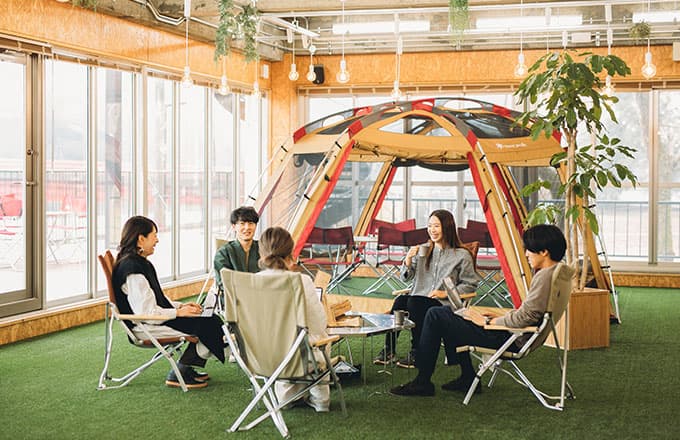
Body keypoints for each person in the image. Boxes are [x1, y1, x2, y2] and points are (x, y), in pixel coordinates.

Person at [390, 224, 567, 397]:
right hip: (515, 334)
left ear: (544, 252)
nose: (526, 254)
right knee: (453, 315)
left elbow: (526, 317)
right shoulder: (557, 273)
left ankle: (423, 382)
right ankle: (467, 377)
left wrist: (488, 321)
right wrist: (501, 315)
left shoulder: (544, 277)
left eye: (529, 250)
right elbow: (530, 314)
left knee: (436, 315)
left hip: (511, 339)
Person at [112, 216, 226, 389]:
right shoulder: (133, 270)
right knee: (208, 323)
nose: (157, 240)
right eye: (154, 235)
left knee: (207, 318)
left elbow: (156, 300)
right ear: (141, 239)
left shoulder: (137, 263)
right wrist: (179, 312)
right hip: (145, 327)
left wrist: (182, 306)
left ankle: (185, 368)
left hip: (153, 320)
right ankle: (181, 370)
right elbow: (147, 314)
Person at [374, 209, 480, 368]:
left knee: (414, 303)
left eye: (436, 226)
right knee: (401, 301)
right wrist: (408, 259)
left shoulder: (461, 255)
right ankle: (389, 349)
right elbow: (406, 278)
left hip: (443, 304)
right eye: (430, 226)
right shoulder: (423, 249)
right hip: (417, 300)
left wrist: (444, 293)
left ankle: (417, 352)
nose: (432, 230)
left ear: (447, 227)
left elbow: (470, 285)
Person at [257, 226, 331, 413]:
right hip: (299, 359)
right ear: (290, 252)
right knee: (319, 337)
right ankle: (320, 398)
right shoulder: (302, 281)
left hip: (259, 359)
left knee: (285, 340)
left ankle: (287, 396)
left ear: (262, 252)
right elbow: (319, 323)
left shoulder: (250, 282)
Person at [213, 206, 261, 292]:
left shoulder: (263, 249)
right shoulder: (223, 253)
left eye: (251, 223)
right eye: (242, 223)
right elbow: (223, 283)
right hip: (233, 298)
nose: (247, 227)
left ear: (255, 226)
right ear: (234, 226)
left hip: (260, 295)